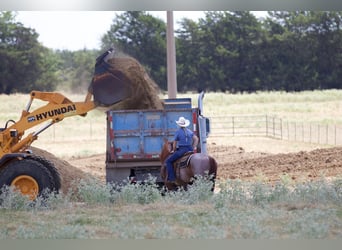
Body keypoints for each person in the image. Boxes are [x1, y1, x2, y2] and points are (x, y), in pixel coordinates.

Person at [166, 116, 199, 183]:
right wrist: (193, 147)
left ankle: (172, 178)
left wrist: (174, 150)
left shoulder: (178, 132)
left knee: (168, 161)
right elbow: (196, 139)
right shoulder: (189, 131)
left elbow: (175, 143)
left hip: (182, 150)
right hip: (190, 149)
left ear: (179, 125)